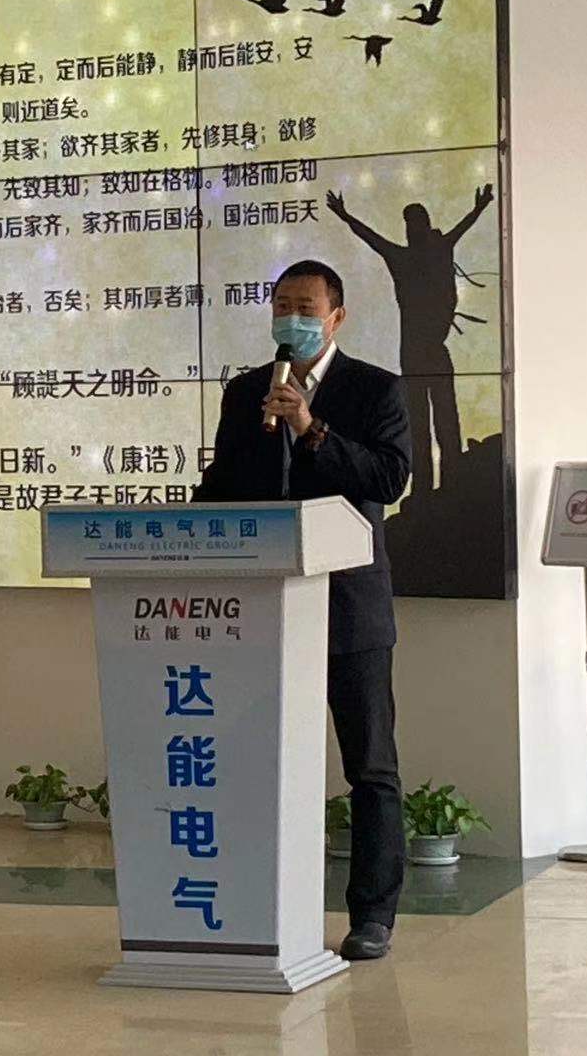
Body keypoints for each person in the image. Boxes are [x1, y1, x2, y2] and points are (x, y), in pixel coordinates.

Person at [192, 259, 411, 961]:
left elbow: (389, 478)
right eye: (281, 304)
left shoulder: (375, 389)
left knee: (369, 767)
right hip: (262, 606)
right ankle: (258, 902)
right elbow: (226, 482)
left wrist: (311, 427)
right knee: (255, 761)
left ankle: (372, 915)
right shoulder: (246, 392)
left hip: (349, 607)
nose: (292, 317)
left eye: (305, 306)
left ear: (336, 317)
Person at [326, 185, 493, 494]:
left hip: (425, 352)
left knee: (442, 419)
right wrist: (344, 215)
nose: (412, 229)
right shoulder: (414, 255)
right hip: (418, 353)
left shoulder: (423, 253)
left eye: (415, 222)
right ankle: (427, 489)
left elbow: (373, 237)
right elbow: (370, 237)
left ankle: (445, 485)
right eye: (410, 223)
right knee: (424, 422)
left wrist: (480, 208)